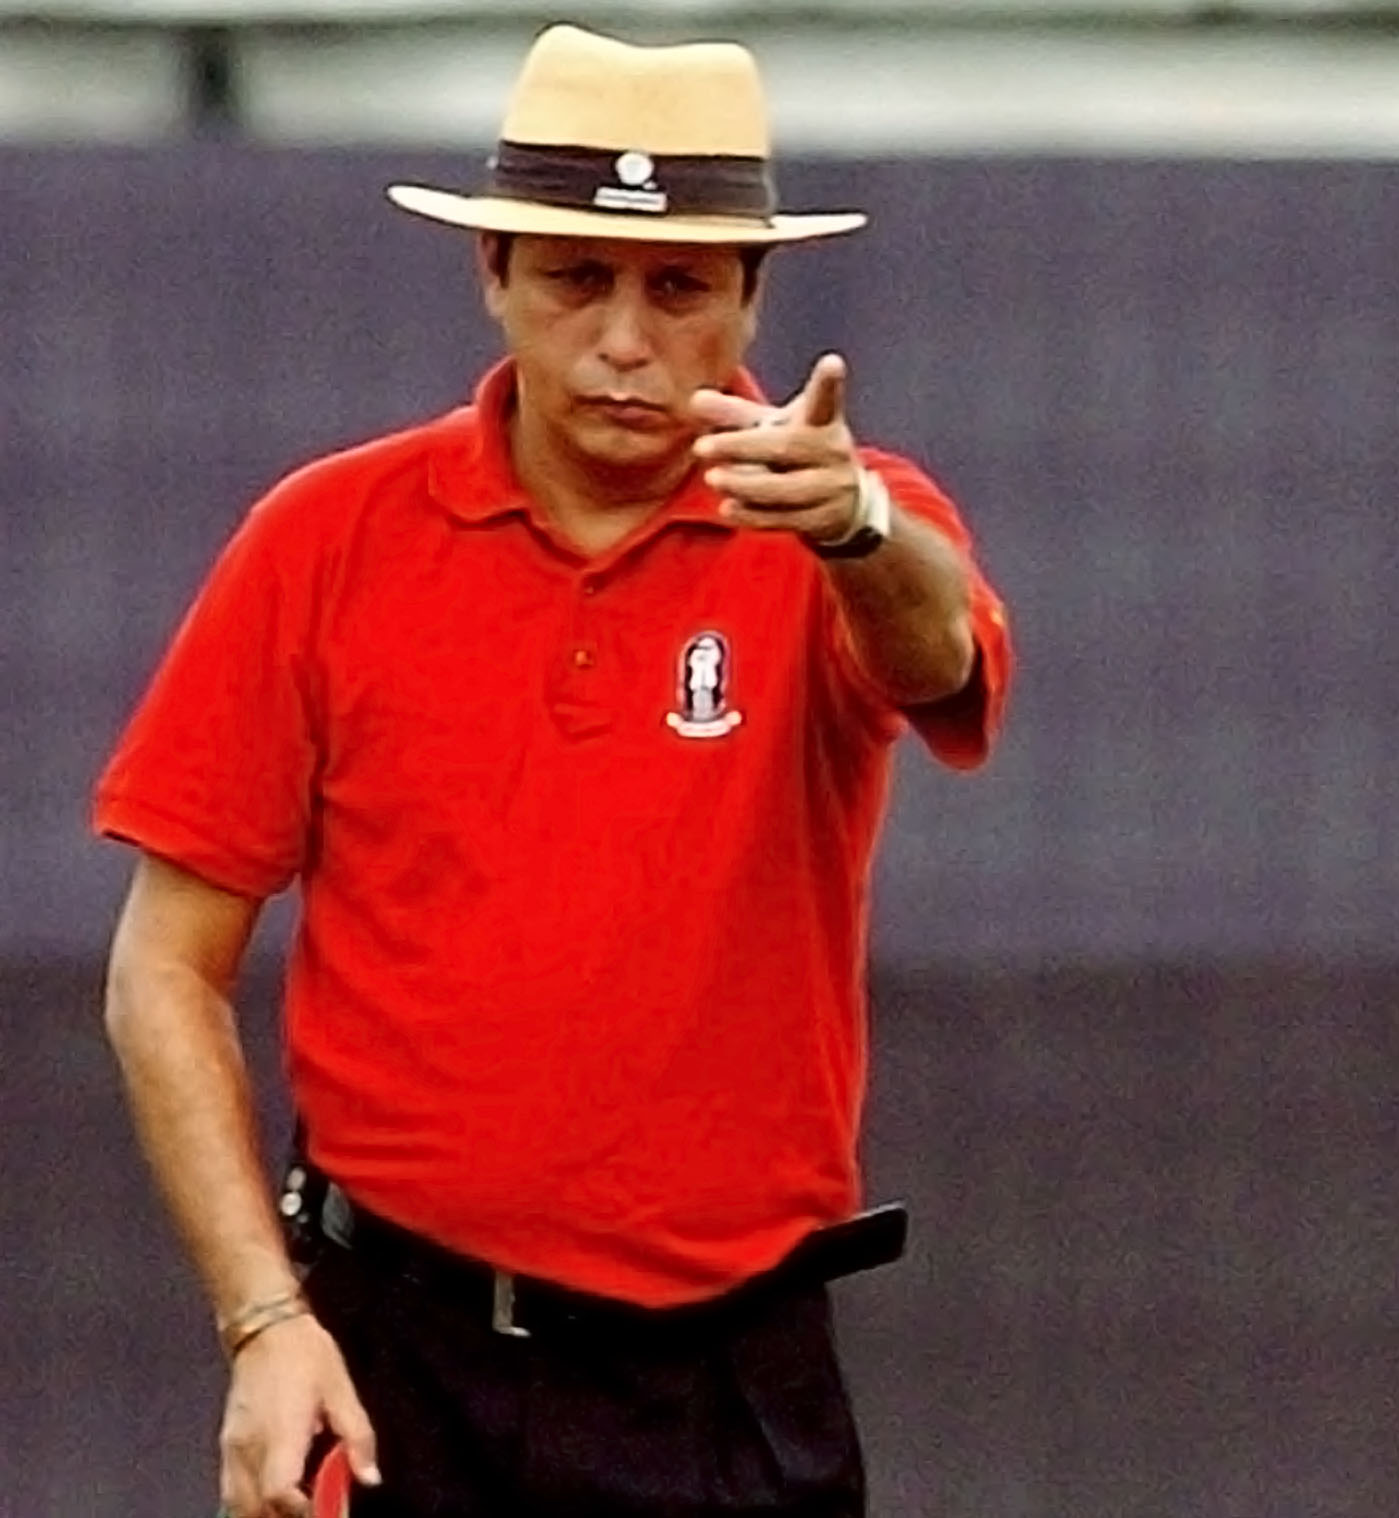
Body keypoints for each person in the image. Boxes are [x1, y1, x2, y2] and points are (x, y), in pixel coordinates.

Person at [94, 25, 1011, 1518]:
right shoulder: (327, 540)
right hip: (392, 1358)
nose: (627, 341)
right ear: (496, 278)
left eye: (679, 286)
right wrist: (266, 1324)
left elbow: (938, 652)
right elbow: (162, 970)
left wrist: (847, 527)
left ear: (748, 301)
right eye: (576, 278)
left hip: (720, 1385)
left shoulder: (835, 530)